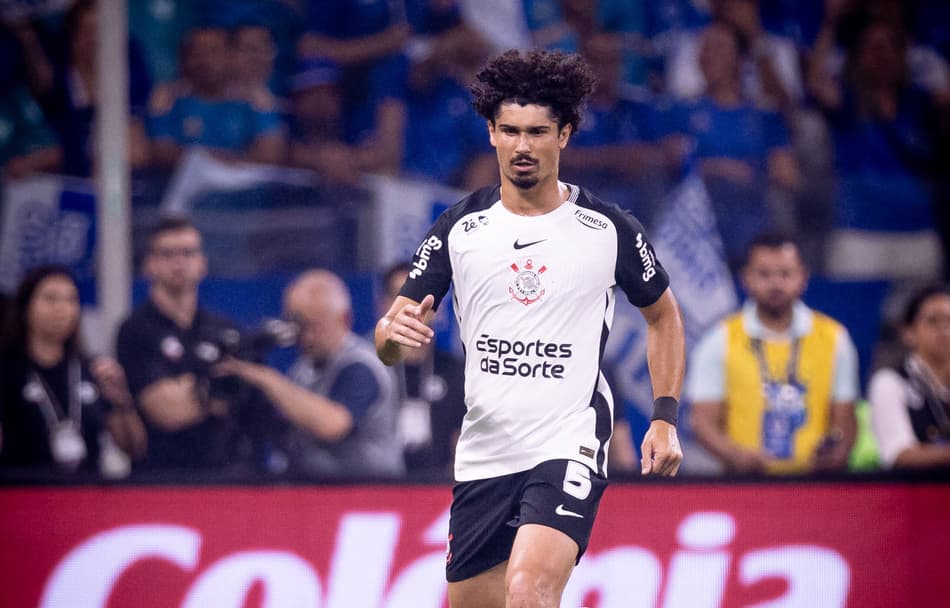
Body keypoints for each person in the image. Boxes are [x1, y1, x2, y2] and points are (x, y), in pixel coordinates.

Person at [375, 49, 685, 608]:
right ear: (491, 133)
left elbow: (663, 315)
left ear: (564, 135)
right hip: (485, 450)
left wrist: (664, 418)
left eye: (538, 131)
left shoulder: (608, 229)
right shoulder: (459, 227)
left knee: (528, 592)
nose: (523, 145)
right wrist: (393, 338)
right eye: (510, 131)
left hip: (568, 436)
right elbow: (388, 342)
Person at [688, 233, 859, 475]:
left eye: (785, 274)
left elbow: (845, 418)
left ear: (803, 278)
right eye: (764, 274)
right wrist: (737, 456)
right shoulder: (719, 340)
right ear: (746, 278)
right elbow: (702, 421)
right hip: (744, 483)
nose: (776, 284)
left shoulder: (835, 338)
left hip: (817, 484)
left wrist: (837, 452)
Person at [215, 269, 404, 479]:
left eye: (314, 326)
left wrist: (266, 380)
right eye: (299, 327)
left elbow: (333, 424)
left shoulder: (363, 365)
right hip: (317, 495)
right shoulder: (303, 369)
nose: (306, 337)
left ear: (344, 319)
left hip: (371, 494)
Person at [115, 216, 244, 470]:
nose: (179, 262)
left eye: (188, 253)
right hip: (161, 480)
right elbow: (166, 411)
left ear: (202, 263)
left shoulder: (224, 329)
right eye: (167, 254)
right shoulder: (135, 330)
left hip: (224, 480)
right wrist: (217, 387)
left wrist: (192, 391)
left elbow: (243, 397)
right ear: (149, 264)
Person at [0, 265, 145, 476]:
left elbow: (133, 448)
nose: (61, 308)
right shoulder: (7, 370)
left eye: (71, 300)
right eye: (50, 299)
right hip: (23, 493)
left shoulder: (91, 369)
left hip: (83, 494)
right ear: (26, 307)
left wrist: (121, 400)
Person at [379, 262, 466, 477]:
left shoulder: (459, 372)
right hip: (375, 484)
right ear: (383, 306)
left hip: (440, 489)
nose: (411, 311)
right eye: (400, 299)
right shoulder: (370, 369)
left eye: (420, 301)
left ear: (439, 308)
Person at [869, 285, 950, 470]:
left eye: (949, 321)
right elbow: (898, 454)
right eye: (933, 321)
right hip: (913, 493)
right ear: (909, 332)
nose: (944, 330)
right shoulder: (890, 382)